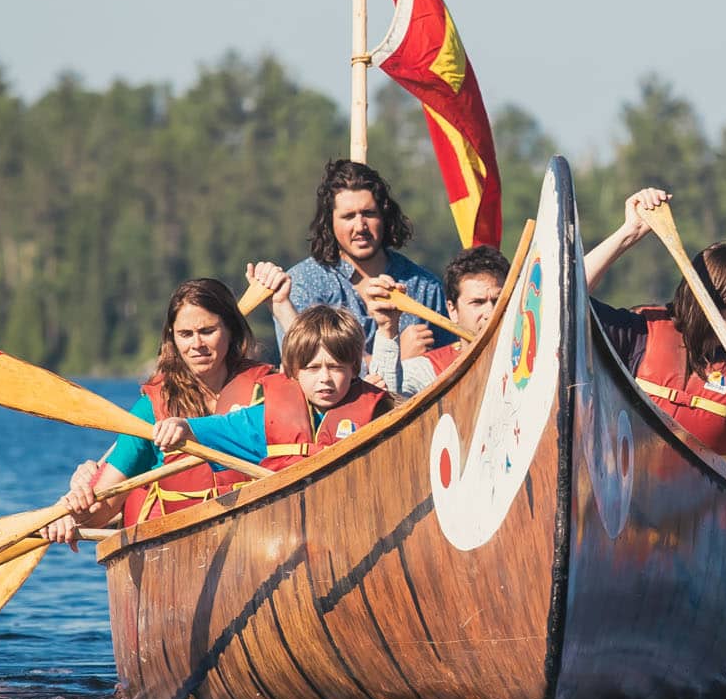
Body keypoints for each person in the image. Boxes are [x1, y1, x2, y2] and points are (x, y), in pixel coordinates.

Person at [44, 276, 278, 544]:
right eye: (185, 334)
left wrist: (280, 305)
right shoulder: (151, 409)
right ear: (172, 338)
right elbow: (104, 509)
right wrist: (74, 513)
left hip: (257, 539)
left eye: (207, 331)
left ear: (232, 331)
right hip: (179, 549)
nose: (196, 345)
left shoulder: (265, 391)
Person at [582, 186, 726, 460]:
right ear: (708, 308)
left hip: (698, 501)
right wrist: (630, 232)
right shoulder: (641, 333)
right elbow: (565, 295)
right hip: (621, 484)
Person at [148, 305, 392, 472]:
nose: (325, 378)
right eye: (313, 368)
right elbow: (216, 428)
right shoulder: (265, 420)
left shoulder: (377, 412)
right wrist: (181, 425)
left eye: (336, 368)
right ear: (293, 372)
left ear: (354, 368)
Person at [268, 159, 450, 358]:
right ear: (330, 222)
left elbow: (448, 363)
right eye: (348, 216)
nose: (360, 226)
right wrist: (399, 358)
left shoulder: (425, 287)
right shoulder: (302, 283)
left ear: (385, 216)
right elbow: (305, 365)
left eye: (369, 214)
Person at [366, 244, 510, 398]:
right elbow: (387, 399)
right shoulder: (430, 369)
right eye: (477, 302)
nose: (490, 312)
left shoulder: (533, 355)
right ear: (452, 310)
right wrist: (388, 328)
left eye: (498, 300)